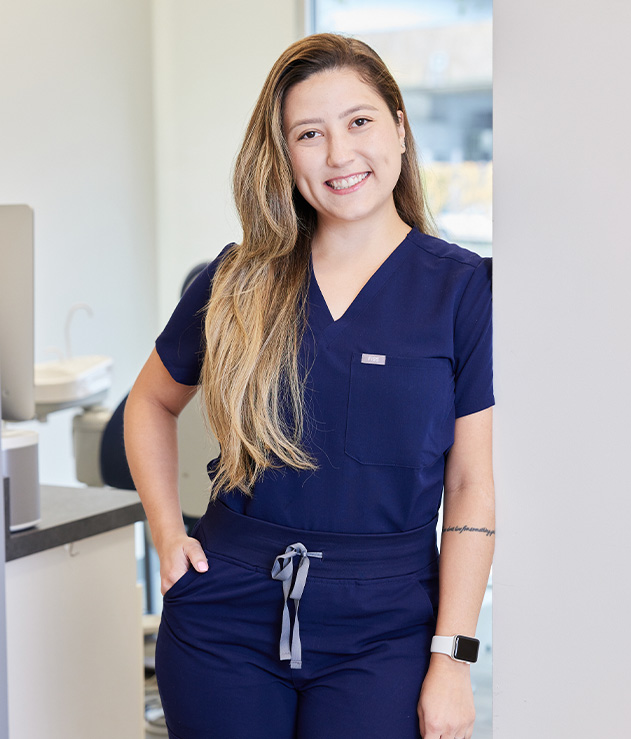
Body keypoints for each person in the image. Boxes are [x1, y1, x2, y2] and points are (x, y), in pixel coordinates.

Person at [124, 32, 494, 739]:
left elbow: (472, 483)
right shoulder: (237, 279)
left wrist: (452, 655)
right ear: (283, 152)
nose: (338, 154)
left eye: (359, 122)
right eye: (308, 133)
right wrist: (168, 534)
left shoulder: (463, 289)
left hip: (387, 627)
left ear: (399, 127)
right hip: (225, 612)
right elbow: (150, 401)